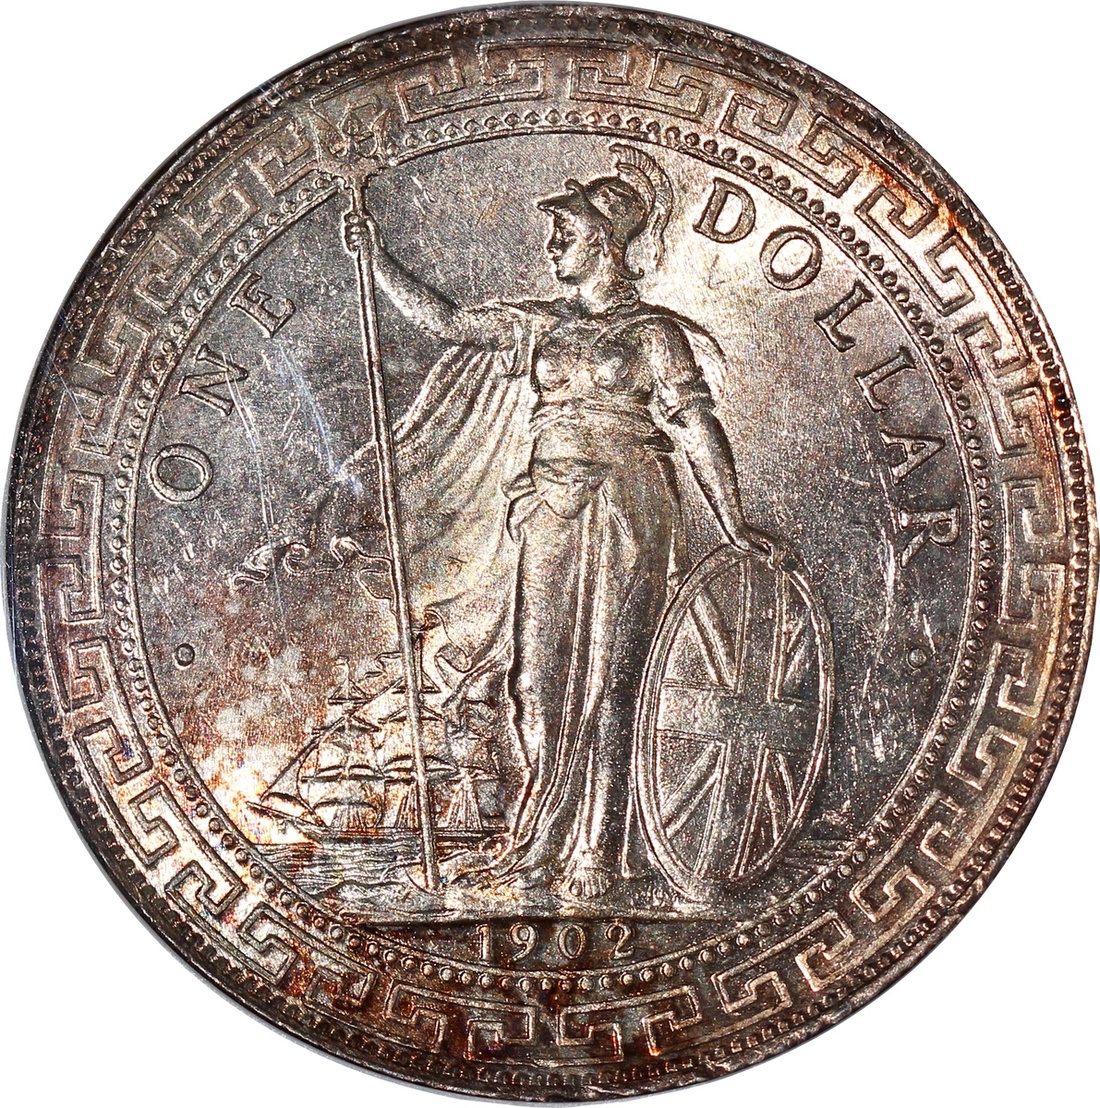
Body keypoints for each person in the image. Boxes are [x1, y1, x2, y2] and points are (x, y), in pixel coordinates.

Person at [345, 150, 771, 903]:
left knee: (614, 676)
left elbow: (697, 425)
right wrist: (374, 259)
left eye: (564, 233)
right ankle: (539, 843)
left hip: (630, 502)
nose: (551, 246)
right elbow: (447, 323)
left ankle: (598, 849)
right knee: (534, 683)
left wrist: (731, 521)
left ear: (605, 241)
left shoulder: (655, 335)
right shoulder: (539, 326)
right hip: (548, 505)